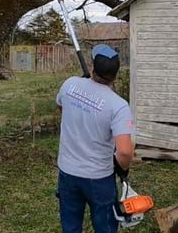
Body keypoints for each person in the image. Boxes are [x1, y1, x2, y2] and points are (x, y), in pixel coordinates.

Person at [56, 44, 136, 233]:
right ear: (116, 74)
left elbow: (61, 106)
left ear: (92, 67)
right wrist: (122, 168)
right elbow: (125, 151)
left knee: (70, 226)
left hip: (67, 172)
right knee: (105, 227)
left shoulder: (69, 84)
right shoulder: (118, 106)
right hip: (98, 178)